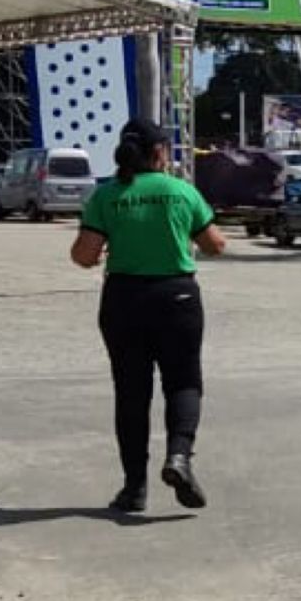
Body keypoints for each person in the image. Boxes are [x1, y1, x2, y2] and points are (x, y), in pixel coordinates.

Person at [71, 119, 226, 513]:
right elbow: (215, 246)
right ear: (159, 152)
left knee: (131, 393)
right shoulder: (181, 191)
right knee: (184, 382)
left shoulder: (106, 195)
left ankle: (134, 488)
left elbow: (83, 255)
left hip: (123, 300)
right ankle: (178, 457)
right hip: (177, 297)